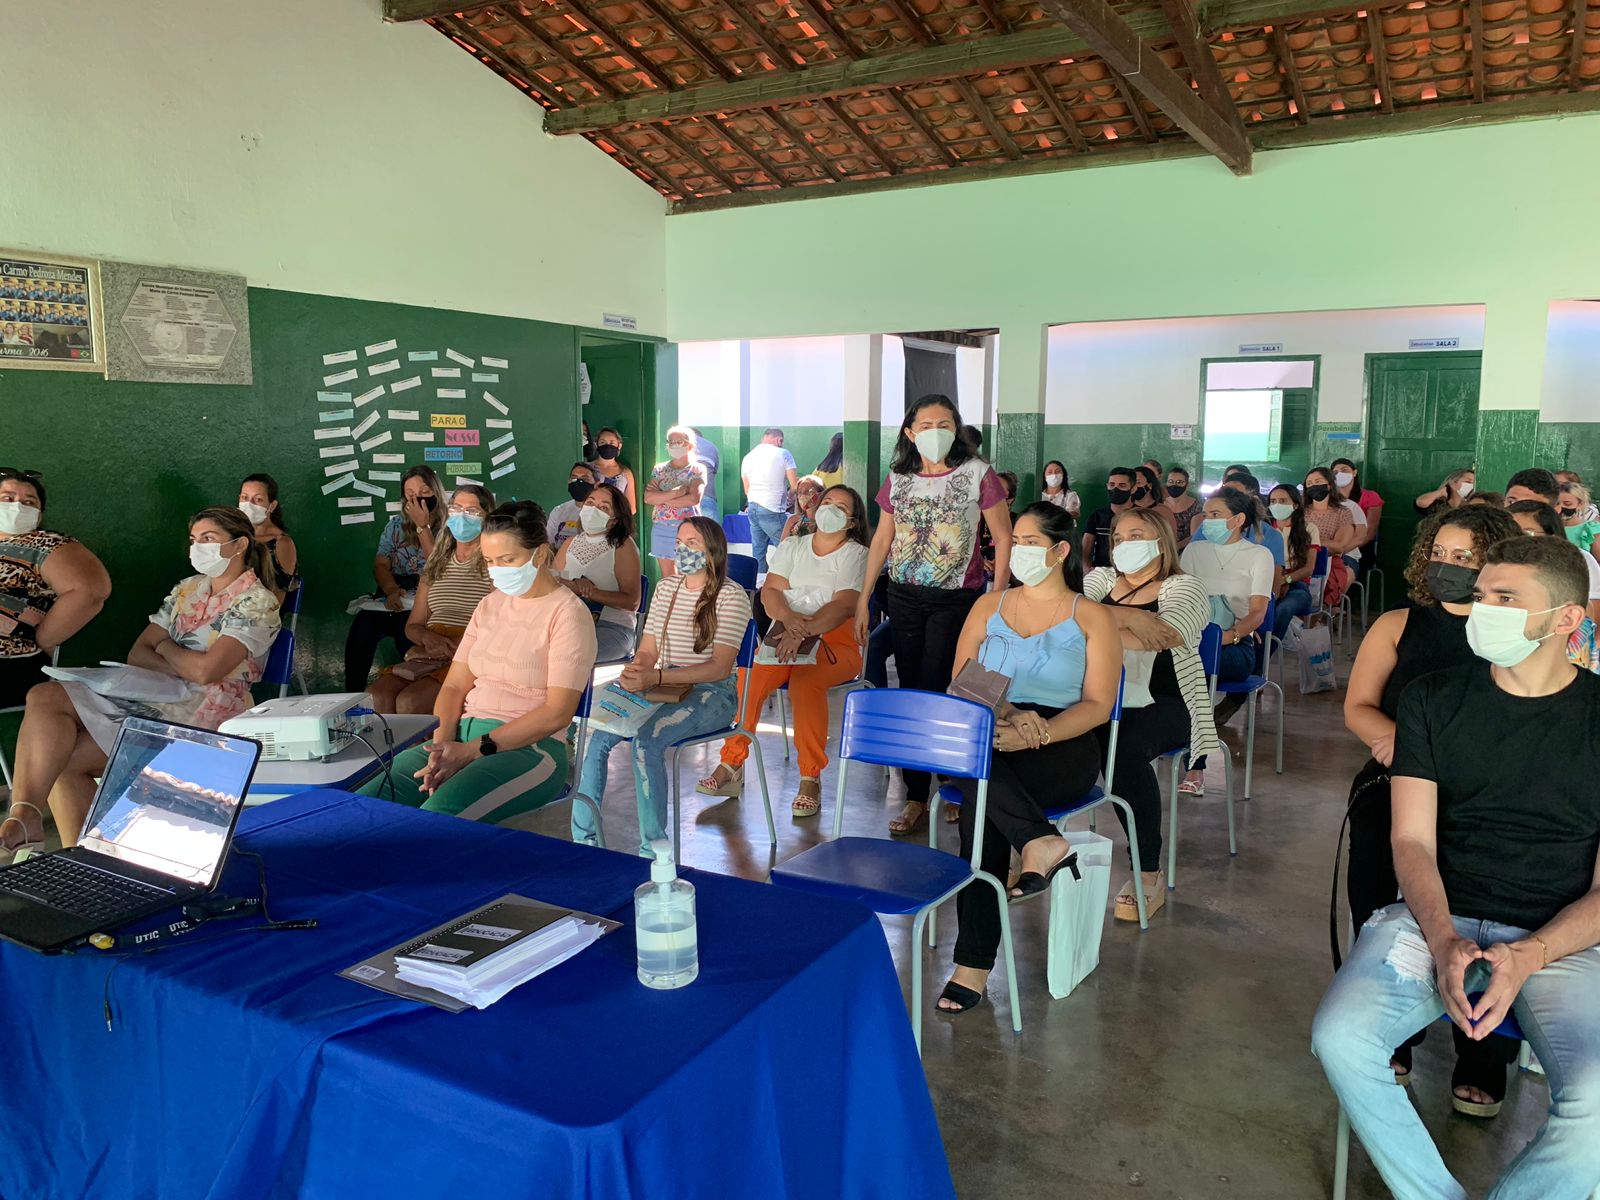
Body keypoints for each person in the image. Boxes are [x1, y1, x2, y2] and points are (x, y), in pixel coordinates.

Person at [1312, 535, 1600, 1199]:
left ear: (1565, 619)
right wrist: (1443, 939)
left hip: (1560, 938)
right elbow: (1411, 841)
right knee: (1341, 1037)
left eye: (1505, 598)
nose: (1484, 609)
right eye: (1481, 596)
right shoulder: (1434, 700)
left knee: (1592, 1106)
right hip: (1436, 918)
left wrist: (1531, 953)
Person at [1342, 504, 1526, 1111]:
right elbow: (1360, 705)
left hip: (1485, 795)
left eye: (1465, 558)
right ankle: (1395, 1029)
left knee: (1490, 906)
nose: (1449, 567)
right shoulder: (1399, 624)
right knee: (1377, 887)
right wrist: (1394, 742)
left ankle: (1481, 1047)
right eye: (1441, 555)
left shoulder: (1513, 631)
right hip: (1397, 782)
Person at [1, 507, 278, 853]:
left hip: (207, 711)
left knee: (66, 761)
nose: (197, 548)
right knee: (45, 695)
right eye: (193, 540)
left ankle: (87, 861)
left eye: (208, 539)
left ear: (239, 545)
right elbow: (139, 654)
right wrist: (183, 662)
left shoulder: (257, 601)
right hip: (156, 691)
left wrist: (166, 647)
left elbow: (209, 673)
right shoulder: (187, 589)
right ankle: (30, 818)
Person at [934, 502, 1119, 1014]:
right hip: (992, 723)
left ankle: (972, 964)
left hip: (1063, 740)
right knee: (979, 771)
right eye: (1013, 539)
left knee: (982, 802)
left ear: (1061, 551)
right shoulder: (987, 607)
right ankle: (1038, 841)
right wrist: (1011, 714)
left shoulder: (1093, 617)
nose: (1017, 550)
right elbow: (962, 680)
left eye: (1031, 541)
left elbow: (1099, 705)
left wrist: (1038, 733)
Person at [359, 501, 594, 822]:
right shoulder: (490, 606)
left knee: (431, 825)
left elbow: (556, 713)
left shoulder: (568, 614)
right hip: (459, 740)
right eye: (490, 561)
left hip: (528, 749)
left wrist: (471, 751)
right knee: (361, 808)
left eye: (507, 560)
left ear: (539, 555)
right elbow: (454, 687)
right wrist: (440, 750)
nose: (497, 570)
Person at [853, 395, 1013, 836]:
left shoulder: (978, 474)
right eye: (925, 424)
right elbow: (883, 538)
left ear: (957, 427)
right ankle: (918, 796)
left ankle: (952, 781)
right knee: (911, 686)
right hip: (903, 595)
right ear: (909, 432)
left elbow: (1002, 536)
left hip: (957, 598)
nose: (935, 430)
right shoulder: (898, 478)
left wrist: (994, 599)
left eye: (945, 422)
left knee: (943, 685)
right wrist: (864, 596)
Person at [573, 517, 753, 855]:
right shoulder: (667, 588)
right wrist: (635, 672)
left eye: (693, 544)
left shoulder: (731, 596)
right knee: (597, 737)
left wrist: (653, 677)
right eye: (680, 542)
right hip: (662, 683)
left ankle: (654, 851)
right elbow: (648, 650)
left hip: (713, 693)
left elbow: (719, 668)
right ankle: (583, 840)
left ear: (712, 551)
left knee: (646, 742)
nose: (683, 549)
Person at [1082, 508, 1220, 921]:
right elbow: (1066, 625)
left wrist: (1096, 625)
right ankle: (1034, 844)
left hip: (1167, 703)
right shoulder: (1101, 580)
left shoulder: (1184, 587)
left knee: (1119, 746)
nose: (1124, 545)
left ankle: (1146, 870)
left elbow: (1164, 636)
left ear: (1160, 541)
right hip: (1097, 698)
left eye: (1136, 535)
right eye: (1119, 538)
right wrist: (1129, 618)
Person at [698, 485, 869, 817]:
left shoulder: (856, 554)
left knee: (807, 683)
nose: (831, 509)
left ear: (851, 522)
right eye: (828, 502)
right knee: (750, 677)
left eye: (841, 507)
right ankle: (731, 764)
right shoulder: (793, 546)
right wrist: (791, 622)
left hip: (836, 642)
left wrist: (803, 630)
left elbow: (844, 605)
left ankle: (810, 776)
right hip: (785, 634)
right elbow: (770, 594)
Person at [368, 485, 495, 715]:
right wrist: (428, 637)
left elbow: (501, 623)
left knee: (410, 702)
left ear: (487, 518)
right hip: (430, 649)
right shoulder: (436, 563)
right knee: (377, 696)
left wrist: (456, 644)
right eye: (456, 509)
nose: (462, 517)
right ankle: (390, 753)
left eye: (472, 511)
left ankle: (426, 751)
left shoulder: (494, 562)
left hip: (471, 651)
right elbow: (413, 626)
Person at [1178, 488, 1273, 794]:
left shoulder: (1259, 555)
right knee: (1183, 668)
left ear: (1238, 519)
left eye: (1215, 515)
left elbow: (1258, 613)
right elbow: (1181, 599)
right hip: (1193, 641)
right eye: (1206, 515)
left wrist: (1228, 637)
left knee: (1195, 670)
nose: (1208, 521)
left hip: (1236, 647)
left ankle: (1195, 768)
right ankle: (1175, 743)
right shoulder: (1194, 552)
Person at [0, 469, 111, 707]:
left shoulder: (45, 543)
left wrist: (46, 639)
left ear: (39, 516)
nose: (18, 506)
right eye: (7, 498)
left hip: (9, 661)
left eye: (29, 501)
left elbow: (90, 591)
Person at [343, 465, 443, 691]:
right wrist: (390, 590)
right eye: (409, 494)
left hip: (428, 598)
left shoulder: (450, 526)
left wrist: (422, 526)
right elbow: (381, 564)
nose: (417, 498)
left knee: (409, 635)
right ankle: (352, 698)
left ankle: (416, 696)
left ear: (436, 491)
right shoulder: (395, 526)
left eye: (424, 491)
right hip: (394, 592)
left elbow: (438, 566)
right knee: (362, 627)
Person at [552, 481, 642, 663]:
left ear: (615, 519)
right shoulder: (570, 544)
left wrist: (589, 592)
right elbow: (552, 583)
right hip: (568, 624)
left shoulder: (622, 545)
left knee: (565, 657)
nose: (593, 509)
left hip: (611, 627)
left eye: (604, 508)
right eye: (590, 503)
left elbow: (632, 602)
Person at [1508, 500, 1600, 630]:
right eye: (1509, 533)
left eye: (1527, 533)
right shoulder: (1495, 566)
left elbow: (1595, 618)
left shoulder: (1580, 561)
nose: (1516, 540)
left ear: (1552, 534)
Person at [646, 426, 707, 577]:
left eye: (678, 441)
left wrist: (662, 497)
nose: (674, 445)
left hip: (688, 530)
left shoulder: (697, 469)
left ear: (690, 445)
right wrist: (678, 492)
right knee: (668, 577)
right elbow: (648, 498)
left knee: (689, 574)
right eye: (671, 442)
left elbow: (693, 498)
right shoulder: (659, 469)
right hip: (661, 528)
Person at [739, 428, 798, 567]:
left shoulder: (748, 457)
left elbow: (746, 490)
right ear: (779, 440)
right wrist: (789, 498)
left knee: (758, 552)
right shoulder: (783, 453)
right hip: (773, 509)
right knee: (786, 550)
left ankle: (759, 583)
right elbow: (795, 486)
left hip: (753, 507)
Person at [1267, 483, 1317, 638]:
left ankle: (1265, 654)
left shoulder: (1309, 529)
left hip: (1297, 584)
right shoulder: (1264, 529)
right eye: (1273, 501)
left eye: (1283, 501)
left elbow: (1308, 569)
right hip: (1266, 582)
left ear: (1295, 504)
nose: (1277, 505)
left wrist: (1284, 580)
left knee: (1283, 608)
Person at [237, 473, 296, 597]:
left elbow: (277, 598)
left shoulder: (282, 543)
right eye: (244, 498)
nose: (249, 504)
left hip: (260, 611)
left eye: (258, 499)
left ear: (272, 506)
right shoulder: (233, 536)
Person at [1082, 467, 1138, 569]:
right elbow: (1085, 550)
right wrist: (1088, 573)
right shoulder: (1096, 516)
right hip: (1100, 574)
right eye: (1111, 485)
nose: (1115, 489)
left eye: (1122, 485)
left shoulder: (1142, 517)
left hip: (1132, 573)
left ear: (1133, 488)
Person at [1332, 456, 1383, 556]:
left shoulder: (1371, 497)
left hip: (1360, 547)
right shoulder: (1329, 498)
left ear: (1354, 473)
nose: (1340, 474)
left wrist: (1343, 552)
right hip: (1333, 545)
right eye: (1335, 472)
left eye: (1344, 470)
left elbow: (1369, 532)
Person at [545, 462, 599, 549]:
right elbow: (549, 545)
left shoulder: (602, 514)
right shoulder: (558, 511)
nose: (579, 482)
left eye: (585, 479)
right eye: (574, 478)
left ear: (597, 484)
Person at [589, 426, 638, 513]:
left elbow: (631, 508)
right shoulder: (587, 468)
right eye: (603, 442)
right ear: (597, 444)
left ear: (619, 446)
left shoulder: (626, 473)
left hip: (616, 522)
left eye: (612, 443)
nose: (607, 446)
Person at [1163, 466, 1204, 546]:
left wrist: (1175, 548)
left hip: (1187, 551)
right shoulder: (1160, 504)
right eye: (1170, 481)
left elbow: (1194, 536)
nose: (1174, 485)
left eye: (1179, 482)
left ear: (1187, 484)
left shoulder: (1197, 506)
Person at [1131, 465, 1177, 534]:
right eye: (1132, 483)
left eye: (1138, 483)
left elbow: (1171, 539)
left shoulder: (1163, 511)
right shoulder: (1125, 509)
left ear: (1149, 485)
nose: (1134, 487)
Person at [1557, 481, 1600, 555]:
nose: (1561, 508)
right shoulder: (1544, 527)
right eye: (1557, 503)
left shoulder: (1589, 529)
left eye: (1567, 504)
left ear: (1580, 504)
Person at [780, 475, 825, 542]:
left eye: (808, 491)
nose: (803, 495)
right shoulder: (793, 520)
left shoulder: (825, 520)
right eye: (800, 492)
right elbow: (782, 546)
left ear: (820, 494)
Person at [689, 427, 721, 522]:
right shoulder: (712, 446)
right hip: (707, 494)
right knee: (711, 533)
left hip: (685, 496)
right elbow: (714, 471)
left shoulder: (682, 444)